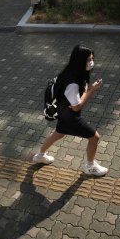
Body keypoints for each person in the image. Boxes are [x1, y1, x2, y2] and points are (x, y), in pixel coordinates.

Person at [33, 45, 107, 176]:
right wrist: (91, 90)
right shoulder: (72, 83)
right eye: (89, 59)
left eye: (92, 59)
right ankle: (90, 166)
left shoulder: (69, 72)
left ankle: (40, 156)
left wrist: (85, 87)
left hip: (63, 113)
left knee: (58, 134)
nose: (91, 62)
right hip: (70, 117)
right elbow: (77, 106)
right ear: (80, 61)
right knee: (95, 137)